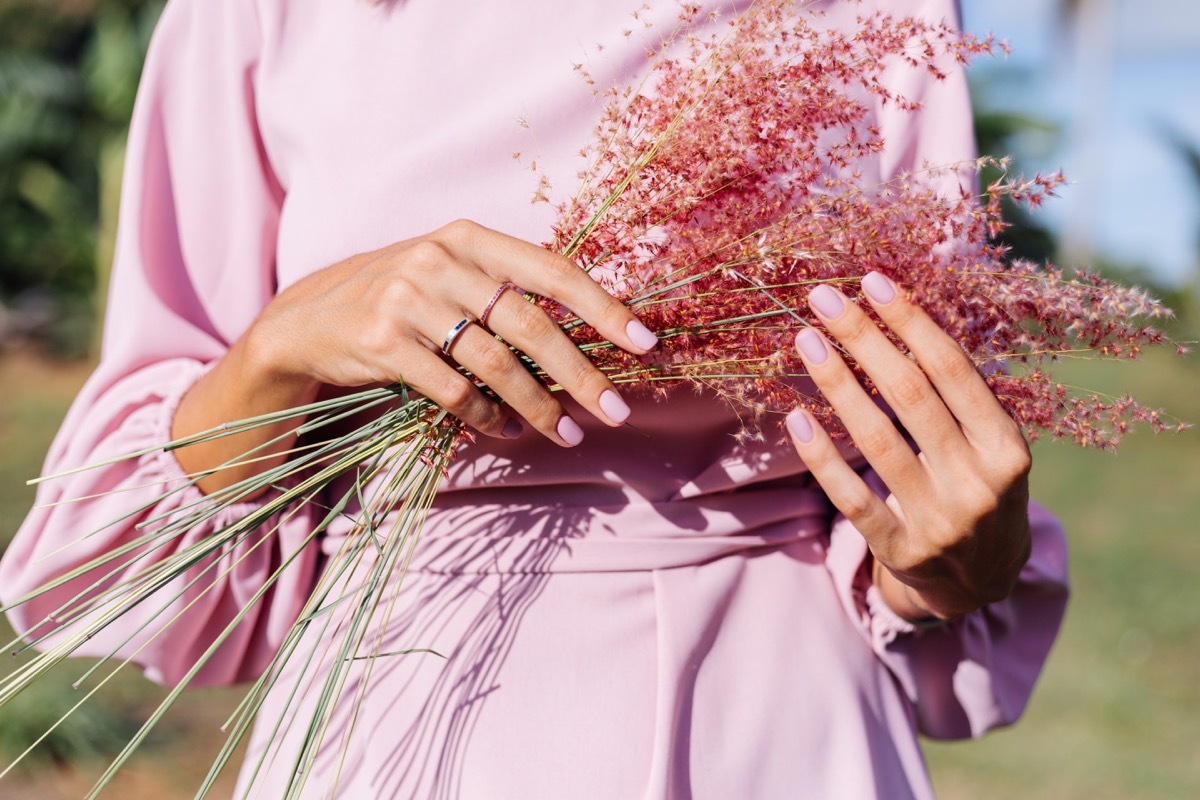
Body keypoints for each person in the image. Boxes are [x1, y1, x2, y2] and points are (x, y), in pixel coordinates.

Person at [0, 0, 1069, 797]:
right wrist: (282, 348)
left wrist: (947, 558)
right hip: (400, 710)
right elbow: (145, 536)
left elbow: (916, 465)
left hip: (780, 718)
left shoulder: (880, 10)